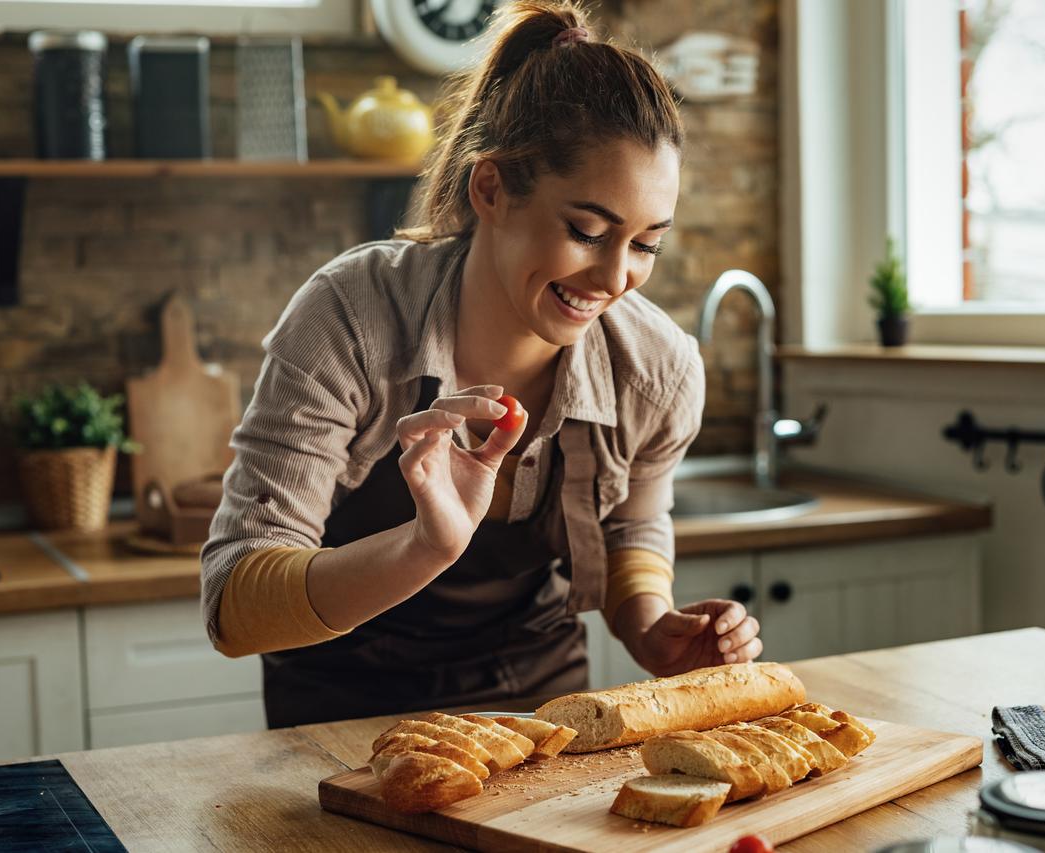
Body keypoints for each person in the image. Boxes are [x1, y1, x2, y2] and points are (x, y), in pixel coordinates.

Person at [201, 0, 763, 728]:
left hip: (542, 708)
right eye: (587, 231)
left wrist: (654, 629)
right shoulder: (351, 318)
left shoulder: (655, 367)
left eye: (647, 243)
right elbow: (234, 607)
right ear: (491, 188)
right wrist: (421, 547)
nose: (615, 277)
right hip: (337, 718)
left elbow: (633, 529)